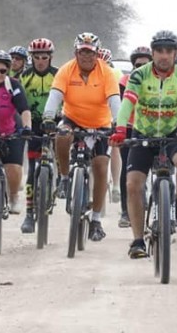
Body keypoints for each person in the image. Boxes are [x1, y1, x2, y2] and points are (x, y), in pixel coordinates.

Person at [110, 30, 177, 259]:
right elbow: (127, 104)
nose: (164, 56)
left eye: (169, 51)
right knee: (133, 184)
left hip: (172, 131)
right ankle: (138, 240)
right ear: (153, 52)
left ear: (175, 53)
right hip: (143, 132)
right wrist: (120, 129)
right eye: (159, 51)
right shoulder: (139, 76)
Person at [42, 32, 120, 242]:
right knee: (62, 135)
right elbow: (55, 96)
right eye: (82, 52)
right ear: (76, 52)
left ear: (97, 54)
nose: (86, 57)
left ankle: (95, 220)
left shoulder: (107, 73)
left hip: (100, 123)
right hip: (73, 118)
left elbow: (114, 100)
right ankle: (65, 177)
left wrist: (118, 123)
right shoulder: (67, 70)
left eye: (91, 53)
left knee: (101, 166)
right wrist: (49, 117)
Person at [0, 49, 33, 216]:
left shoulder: (13, 85)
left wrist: (27, 128)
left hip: (10, 131)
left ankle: (14, 197)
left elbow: (24, 109)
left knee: (14, 167)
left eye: (3, 71)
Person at [18, 38, 59, 233]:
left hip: (57, 121)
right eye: (37, 57)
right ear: (31, 58)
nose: (41, 61)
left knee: (61, 151)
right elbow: (19, 103)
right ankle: (28, 213)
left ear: (50, 58)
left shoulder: (58, 75)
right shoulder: (24, 77)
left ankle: (62, 180)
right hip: (33, 123)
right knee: (33, 167)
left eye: (44, 57)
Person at [117, 46, 153, 229]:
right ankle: (125, 211)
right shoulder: (124, 81)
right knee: (127, 167)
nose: (140, 68)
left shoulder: (157, 80)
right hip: (130, 128)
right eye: (137, 65)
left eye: (145, 65)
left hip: (151, 128)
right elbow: (121, 105)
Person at [98, 46, 124, 203]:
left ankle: (116, 186)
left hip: (110, 113)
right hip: (94, 113)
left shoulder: (116, 74)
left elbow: (119, 99)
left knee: (114, 147)